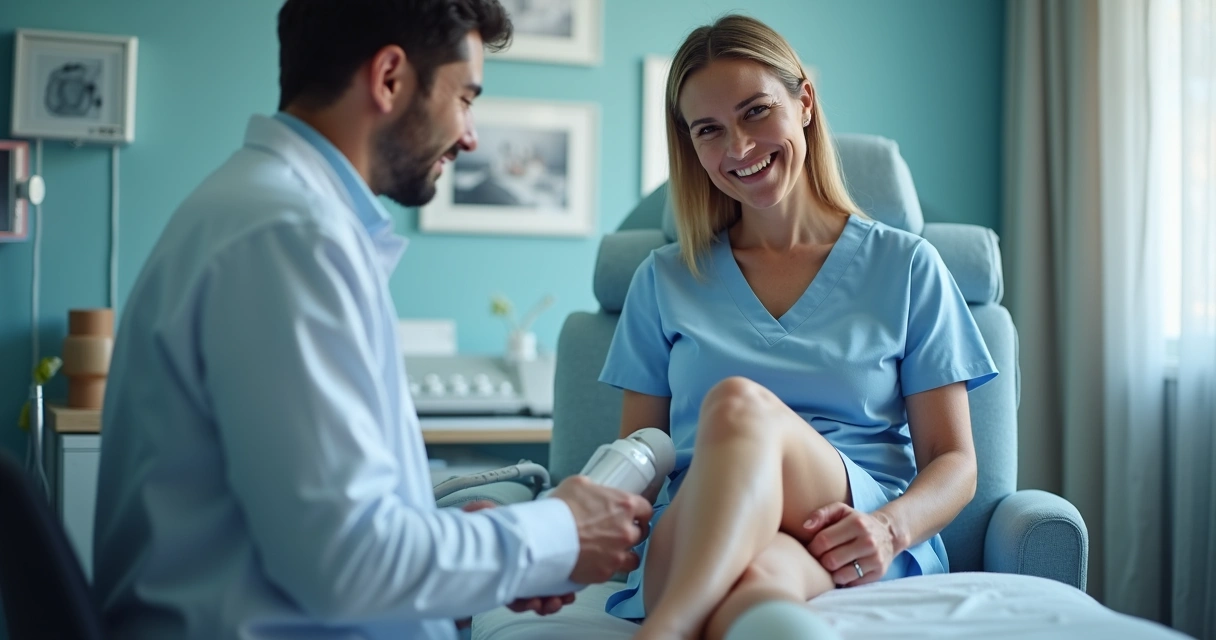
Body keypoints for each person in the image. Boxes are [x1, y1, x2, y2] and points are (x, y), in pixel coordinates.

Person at [91, 2, 652, 639]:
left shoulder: (262, 211)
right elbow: (346, 561)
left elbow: (322, 528)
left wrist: (470, 548)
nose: (470, 136)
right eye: (465, 98)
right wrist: (556, 533)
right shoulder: (290, 237)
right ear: (389, 77)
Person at [598, 14, 999, 640]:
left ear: (803, 101)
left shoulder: (907, 266)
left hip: (846, 523)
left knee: (735, 404)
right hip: (697, 525)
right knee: (756, 594)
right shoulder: (663, 279)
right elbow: (641, 459)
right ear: (692, 147)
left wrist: (890, 528)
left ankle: (665, 631)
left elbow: (954, 462)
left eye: (756, 112)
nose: (738, 149)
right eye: (710, 130)